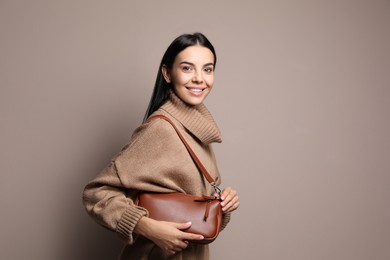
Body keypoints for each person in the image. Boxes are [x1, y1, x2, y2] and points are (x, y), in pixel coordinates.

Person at [83, 32, 239, 260]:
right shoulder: (161, 129)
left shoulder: (197, 130)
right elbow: (96, 193)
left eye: (207, 69)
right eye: (187, 68)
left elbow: (188, 204)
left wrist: (222, 205)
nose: (199, 78)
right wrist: (147, 227)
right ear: (167, 73)